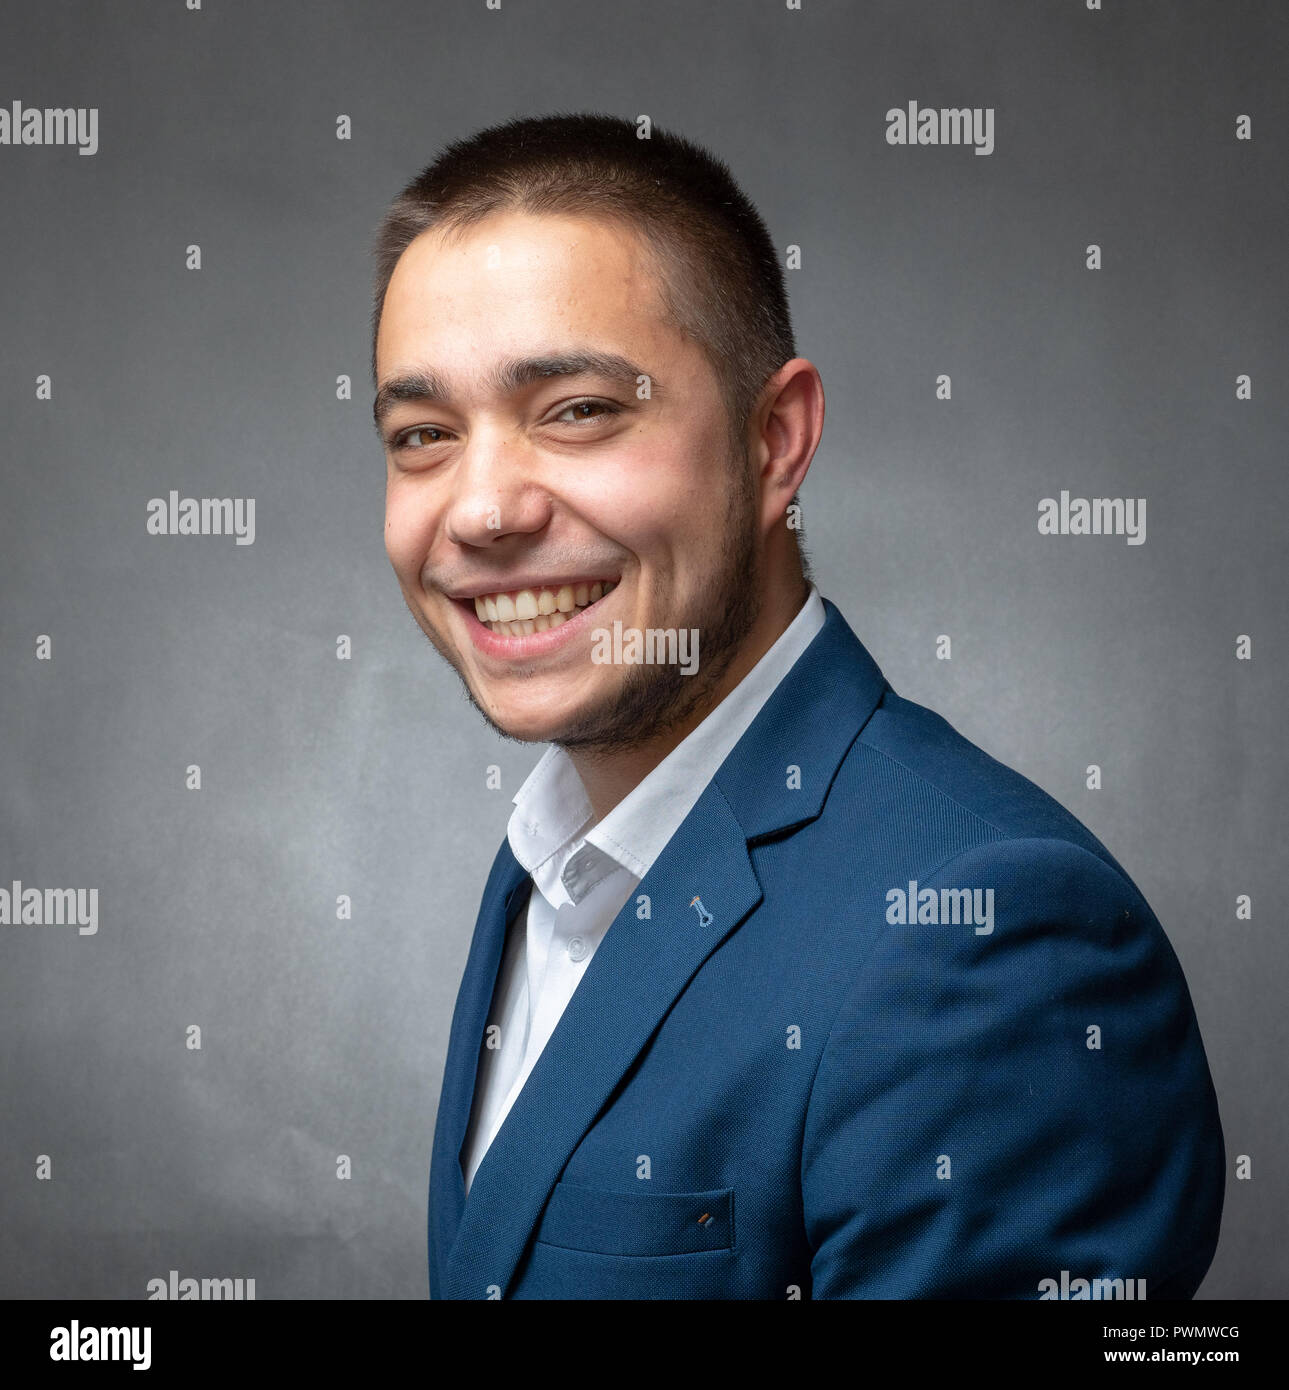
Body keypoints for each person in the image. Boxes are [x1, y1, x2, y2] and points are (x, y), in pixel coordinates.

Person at [370, 113, 1224, 1300]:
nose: (480, 510)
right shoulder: (549, 863)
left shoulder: (990, 941)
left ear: (775, 442)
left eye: (576, 410)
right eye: (422, 435)